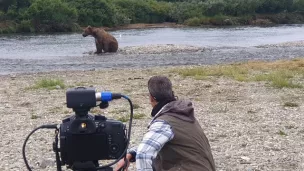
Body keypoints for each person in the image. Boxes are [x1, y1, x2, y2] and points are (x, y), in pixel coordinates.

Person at [115, 76, 216, 171]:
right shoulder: (181, 113)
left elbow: (144, 154)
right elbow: (153, 143)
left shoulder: (165, 122)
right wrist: (131, 154)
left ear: (151, 98)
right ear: (171, 93)